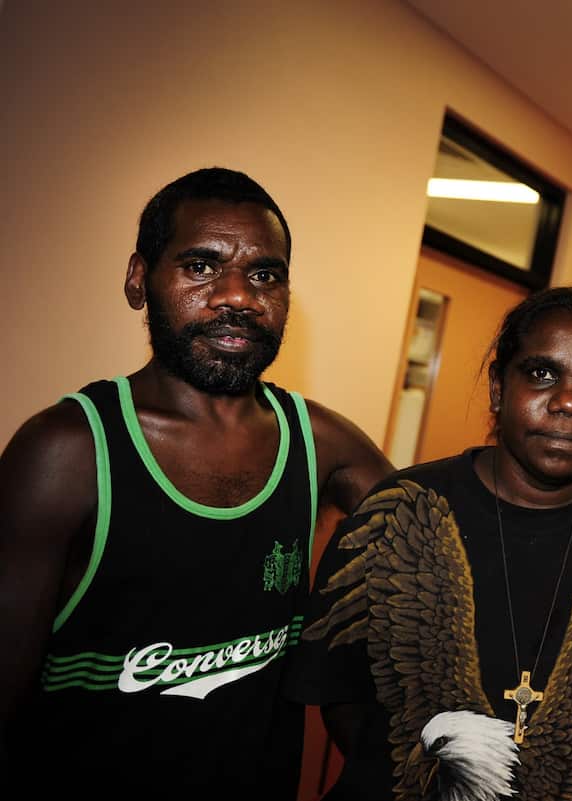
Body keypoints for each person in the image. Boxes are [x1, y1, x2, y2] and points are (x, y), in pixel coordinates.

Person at [0, 167, 393, 797]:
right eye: (201, 267)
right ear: (139, 280)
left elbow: (449, 544)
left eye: (265, 274)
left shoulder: (322, 444)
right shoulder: (66, 452)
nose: (237, 295)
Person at [288, 286, 572, 801]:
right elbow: (343, 699)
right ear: (497, 387)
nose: (568, 402)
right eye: (541, 373)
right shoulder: (396, 512)